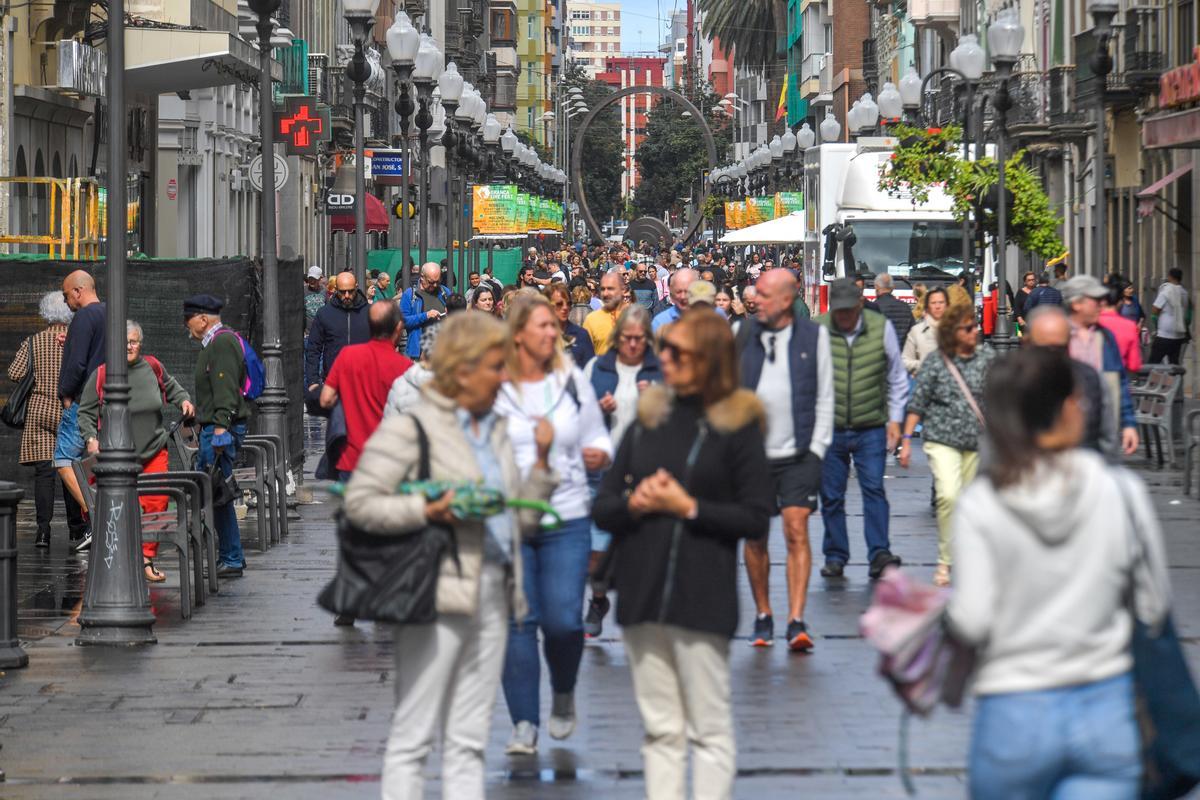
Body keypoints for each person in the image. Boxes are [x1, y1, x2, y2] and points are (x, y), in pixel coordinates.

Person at [343, 312, 556, 800]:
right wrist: (426, 508)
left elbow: (514, 520)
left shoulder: (496, 429)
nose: (504, 377)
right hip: (433, 586)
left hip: (494, 587)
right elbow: (361, 503)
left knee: (469, 739)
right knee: (414, 734)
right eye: (495, 367)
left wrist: (542, 466)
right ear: (462, 369)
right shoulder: (413, 428)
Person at [947, 346, 1169, 799]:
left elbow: (971, 619)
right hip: (1105, 709)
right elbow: (1154, 605)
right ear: (1070, 408)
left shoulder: (982, 504)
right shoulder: (1120, 492)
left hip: (1013, 711)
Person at [593, 308, 773, 800]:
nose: (663, 358)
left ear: (708, 360)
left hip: (703, 595)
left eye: (675, 351)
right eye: (663, 348)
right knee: (661, 729)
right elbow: (605, 507)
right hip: (643, 594)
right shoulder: (646, 423)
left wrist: (689, 507)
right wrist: (636, 502)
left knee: (708, 728)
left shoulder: (738, 426)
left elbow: (757, 517)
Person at [495, 293, 613, 754]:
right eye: (542, 325)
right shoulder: (493, 384)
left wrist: (600, 453)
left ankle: (563, 689)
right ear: (518, 332)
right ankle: (524, 722)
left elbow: (598, 437)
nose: (553, 333)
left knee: (564, 620)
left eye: (553, 326)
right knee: (518, 622)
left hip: (566, 515)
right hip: (509, 519)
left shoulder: (571, 382)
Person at [738, 270, 833, 651]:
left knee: (797, 529)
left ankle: (796, 618)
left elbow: (826, 395)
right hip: (753, 456)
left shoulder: (814, 337)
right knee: (756, 536)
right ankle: (764, 614)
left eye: (762, 294)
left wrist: (817, 449)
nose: (755, 299)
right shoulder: (742, 335)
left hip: (799, 454)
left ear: (785, 299)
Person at [78, 320, 194, 583]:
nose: (128, 346)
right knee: (120, 509)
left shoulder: (153, 366)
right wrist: (91, 438)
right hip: (117, 456)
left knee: (157, 503)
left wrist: (184, 399)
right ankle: (119, 559)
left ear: (140, 344)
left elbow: (174, 388)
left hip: (154, 449)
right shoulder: (102, 374)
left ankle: (145, 559)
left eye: (133, 341)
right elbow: (85, 412)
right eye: (124, 341)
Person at [815, 279, 908, 579]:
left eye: (848, 311)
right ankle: (835, 555)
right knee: (831, 495)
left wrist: (895, 420)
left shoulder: (880, 327)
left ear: (859, 304)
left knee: (874, 489)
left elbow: (896, 376)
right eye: (838, 311)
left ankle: (879, 552)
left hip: (871, 425)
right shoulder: (819, 329)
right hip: (830, 426)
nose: (842, 317)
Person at [898, 302, 995, 587]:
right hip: (941, 439)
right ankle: (945, 558)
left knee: (968, 500)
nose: (974, 332)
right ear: (953, 331)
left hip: (975, 440)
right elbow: (918, 402)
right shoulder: (937, 362)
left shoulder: (987, 356)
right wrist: (905, 440)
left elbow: (1000, 394)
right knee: (949, 496)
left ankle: (967, 554)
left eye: (975, 327)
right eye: (968, 328)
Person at [583, 305, 663, 639]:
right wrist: (597, 409)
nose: (632, 345)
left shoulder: (660, 371)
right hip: (605, 469)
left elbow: (675, 420)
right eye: (627, 338)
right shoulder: (597, 368)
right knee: (597, 549)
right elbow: (580, 415)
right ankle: (598, 598)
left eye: (639, 339)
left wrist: (657, 401)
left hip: (646, 470)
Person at [6, 292, 86, 548]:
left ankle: (43, 532)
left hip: (40, 409)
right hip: (68, 407)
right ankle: (76, 528)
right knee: (70, 467)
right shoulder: (74, 340)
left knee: (44, 474)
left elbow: (15, 372)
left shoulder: (33, 342)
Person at [184, 294, 250, 578]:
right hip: (216, 425)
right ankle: (230, 555)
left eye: (188, 321)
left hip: (220, 429)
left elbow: (224, 387)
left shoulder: (221, 343)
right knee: (217, 491)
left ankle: (232, 557)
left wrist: (221, 427)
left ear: (201, 318)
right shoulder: (215, 342)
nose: (186, 327)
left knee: (218, 492)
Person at [319, 302, 413, 480]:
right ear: (399, 327)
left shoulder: (348, 355)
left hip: (352, 459)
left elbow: (325, 399)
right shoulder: (405, 367)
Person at [1061, 276, 1139, 457]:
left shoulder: (1105, 337)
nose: (1102, 304)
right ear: (1076, 304)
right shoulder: (1059, 336)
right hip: (1065, 433)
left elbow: (1119, 380)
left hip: (1102, 431)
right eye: (1095, 300)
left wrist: (1128, 424)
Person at [57, 270, 106, 552]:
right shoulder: (110, 314)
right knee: (97, 461)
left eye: (66, 295)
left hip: (83, 402)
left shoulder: (83, 318)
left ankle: (98, 514)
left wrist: (66, 395)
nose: (66, 302)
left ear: (78, 291)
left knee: (64, 461)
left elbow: (76, 366)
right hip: (108, 402)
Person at [305, 272, 370, 409]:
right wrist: (312, 381)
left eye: (350, 291)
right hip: (334, 381)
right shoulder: (325, 314)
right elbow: (313, 349)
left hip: (364, 381)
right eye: (342, 292)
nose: (346, 296)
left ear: (357, 288)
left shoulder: (369, 313)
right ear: (335, 290)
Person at [399, 262, 453, 359]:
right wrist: (426, 316)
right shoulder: (410, 294)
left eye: (438, 281)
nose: (435, 285)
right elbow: (403, 321)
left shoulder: (445, 292)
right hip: (419, 353)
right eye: (431, 282)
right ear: (422, 277)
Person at [545, 283, 595, 369]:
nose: (565, 307)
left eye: (568, 304)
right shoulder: (539, 334)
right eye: (559, 304)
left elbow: (590, 370)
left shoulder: (581, 335)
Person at [1149, 267, 1191, 365]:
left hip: (1164, 335)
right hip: (1179, 336)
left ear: (1170, 277)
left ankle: (1149, 380)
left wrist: (1156, 320)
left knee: (1152, 364)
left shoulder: (1166, 291)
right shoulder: (1184, 293)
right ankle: (1175, 380)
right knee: (1174, 365)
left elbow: (1155, 310)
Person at [1098, 283, 1143, 373]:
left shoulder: (1090, 322)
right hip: (1119, 377)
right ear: (1119, 302)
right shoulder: (1129, 326)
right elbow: (1134, 365)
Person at [902, 288, 947, 375]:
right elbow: (905, 361)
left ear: (947, 305)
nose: (937, 306)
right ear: (927, 307)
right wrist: (924, 365)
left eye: (941, 302)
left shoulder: (957, 330)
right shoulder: (916, 331)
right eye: (933, 303)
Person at [582, 270, 625, 356]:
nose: (605, 293)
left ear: (622, 290)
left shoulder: (634, 317)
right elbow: (585, 354)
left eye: (610, 289)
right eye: (602, 289)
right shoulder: (591, 319)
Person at [872, 273, 913, 344]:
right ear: (893, 287)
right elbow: (912, 333)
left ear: (876, 287)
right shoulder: (905, 307)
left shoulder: (872, 308)